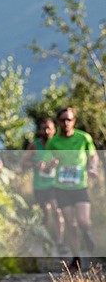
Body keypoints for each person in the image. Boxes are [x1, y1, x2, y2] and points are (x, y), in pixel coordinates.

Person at [44, 107, 98, 269]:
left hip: (80, 186)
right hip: (62, 187)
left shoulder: (84, 138)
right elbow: (46, 166)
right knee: (70, 224)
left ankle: (87, 233)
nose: (66, 123)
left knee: (83, 221)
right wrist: (50, 165)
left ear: (74, 121)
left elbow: (93, 155)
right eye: (62, 120)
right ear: (58, 122)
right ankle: (76, 258)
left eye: (69, 119)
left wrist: (93, 167)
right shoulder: (53, 142)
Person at [21, 118, 64, 252]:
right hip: (39, 186)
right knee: (46, 213)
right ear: (39, 130)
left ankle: (60, 243)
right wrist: (36, 164)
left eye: (49, 128)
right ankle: (45, 241)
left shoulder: (58, 145)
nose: (46, 131)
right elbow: (23, 163)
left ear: (54, 130)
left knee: (57, 211)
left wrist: (57, 163)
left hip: (55, 184)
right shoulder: (35, 146)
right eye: (43, 128)